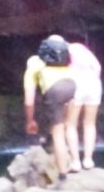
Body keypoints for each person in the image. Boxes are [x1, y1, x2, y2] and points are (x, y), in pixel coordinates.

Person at [23, 35, 80, 178]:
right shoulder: (64, 64)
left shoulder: (33, 67)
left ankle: (62, 174)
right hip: (72, 86)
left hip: (55, 91)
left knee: (58, 133)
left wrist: (30, 121)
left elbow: (29, 100)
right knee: (68, 126)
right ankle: (74, 160)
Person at [66, 35, 103, 170]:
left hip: (75, 86)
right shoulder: (84, 50)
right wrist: (93, 82)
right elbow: (98, 67)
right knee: (90, 123)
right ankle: (88, 160)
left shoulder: (67, 50)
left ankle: (75, 162)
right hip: (93, 85)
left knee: (70, 124)